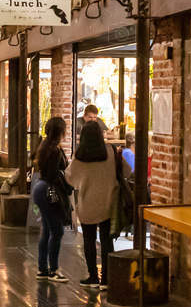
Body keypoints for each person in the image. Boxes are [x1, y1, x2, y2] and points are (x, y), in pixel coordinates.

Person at [65, 119, 128, 290]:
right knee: (107, 240)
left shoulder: (79, 156)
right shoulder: (111, 151)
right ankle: (106, 279)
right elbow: (127, 170)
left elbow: (69, 178)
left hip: (87, 205)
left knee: (89, 239)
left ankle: (93, 276)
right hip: (108, 203)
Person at [31, 116, 72, 282]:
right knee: (57, 230)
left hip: (41, 188)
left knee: (47, 230)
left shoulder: (44, 145)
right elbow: (55, 174)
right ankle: (53, 269)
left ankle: (42, 269)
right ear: (60, 132)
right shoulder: (54, 150)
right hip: (50, 190)